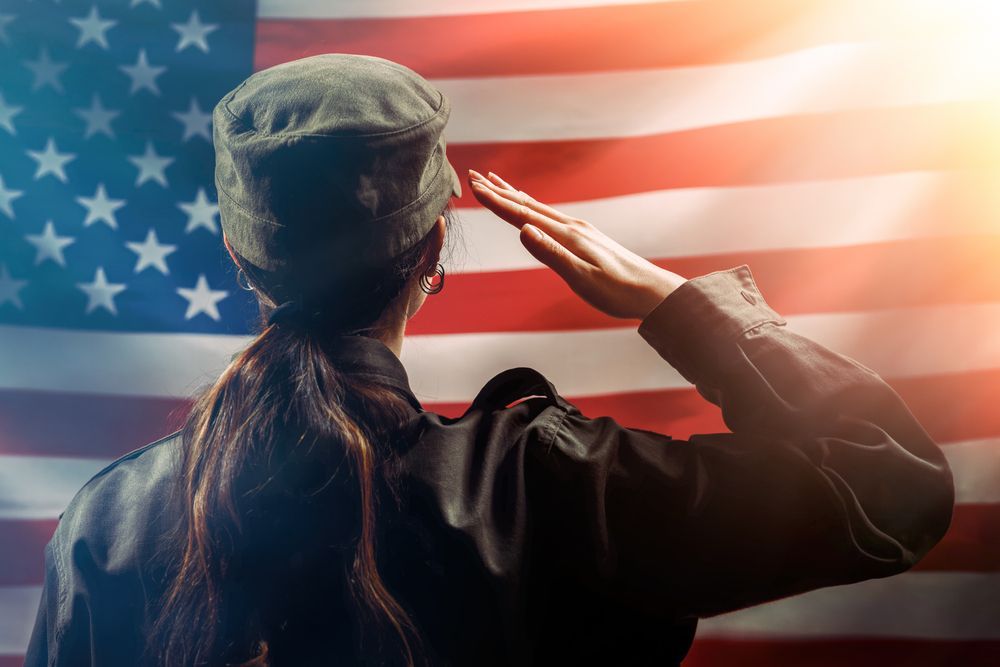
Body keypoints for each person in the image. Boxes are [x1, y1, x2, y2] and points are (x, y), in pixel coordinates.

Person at [24, 53, 954, 667]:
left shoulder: (108, 521)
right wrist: (678, 306)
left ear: (239, 259)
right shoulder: (543, 489)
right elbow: (888, 488)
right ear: (434, 250)